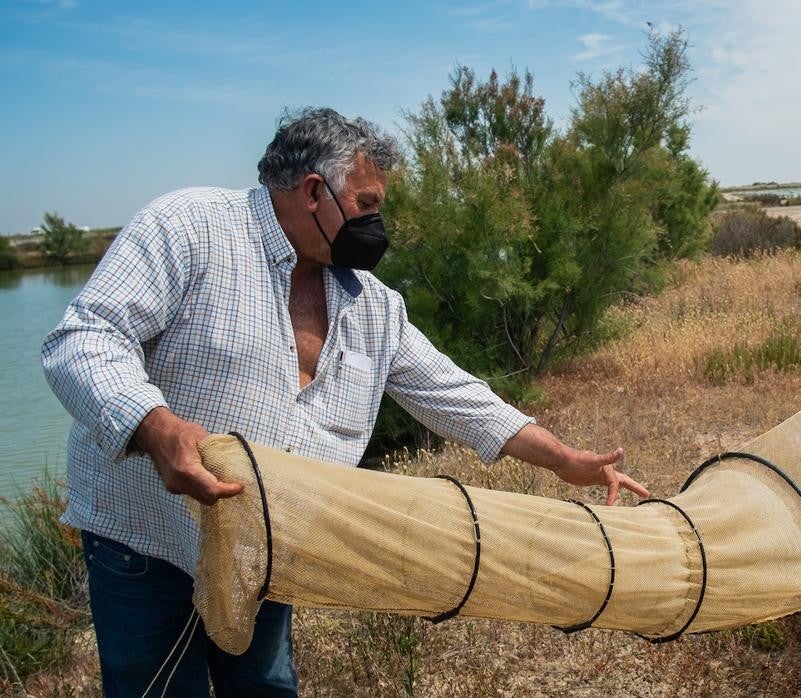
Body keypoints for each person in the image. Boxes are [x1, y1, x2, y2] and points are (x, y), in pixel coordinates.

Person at [41, 107, 650, 696]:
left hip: (265, 548)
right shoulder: (190, 227)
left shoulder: (372, 304)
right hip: (149, 541)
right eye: (367, 205)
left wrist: (562, 458)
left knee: (263, 687)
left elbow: (454, 394)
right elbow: (84, 337)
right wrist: (156, 426)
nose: (377, 224)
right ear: (314, 192)